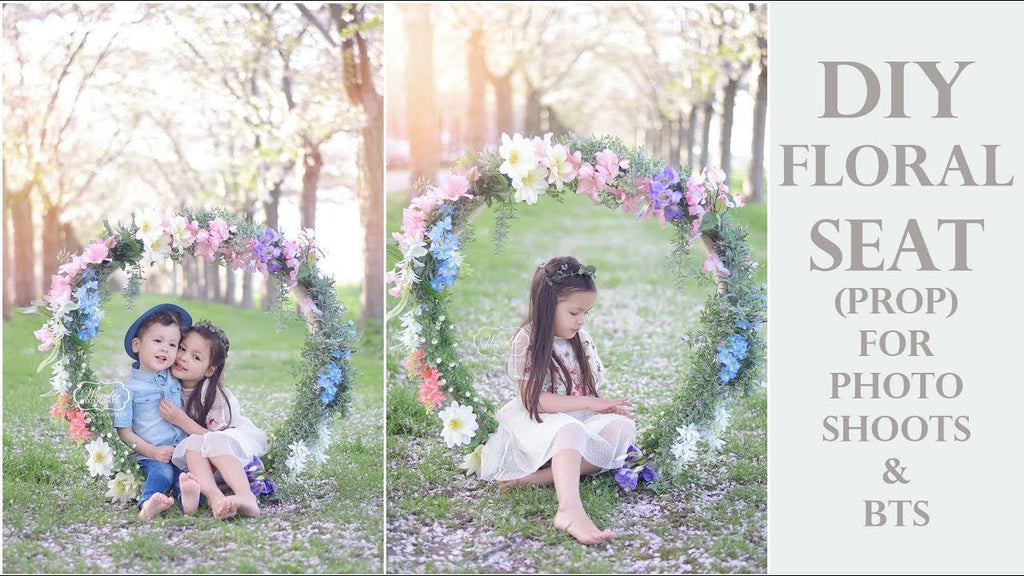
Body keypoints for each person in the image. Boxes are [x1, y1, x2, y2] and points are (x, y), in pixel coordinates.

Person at [479, 256, 637, 545]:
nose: (581, 321)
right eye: (575, 312)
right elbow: (533, 401)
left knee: (621, 431)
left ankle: (538, 478)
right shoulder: (527, 340)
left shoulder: (581, 338)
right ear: (546, 304)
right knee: (570, 430)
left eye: (586, 313)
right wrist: (588, 403)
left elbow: (585, 387)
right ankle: (569, 509)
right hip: (540, 424)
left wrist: (604, 404)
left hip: (576, 418)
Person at [159, 320, 268, 520]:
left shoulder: (213, 396)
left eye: (196, 357)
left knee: (211, 440)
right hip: (201, 467)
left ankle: (246, 496)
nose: (183, 358)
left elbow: (213, 436)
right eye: (182, 348)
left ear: (209, 370)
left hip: (228, 458)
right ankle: (214, 497)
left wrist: (181, 420)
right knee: (193, 442)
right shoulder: (166, 382)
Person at [109, 303, 202, 521]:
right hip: (149, 455)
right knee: (163, 472)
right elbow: (124, 433)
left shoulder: (174, 376)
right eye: (158, 341)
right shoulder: (125, 390)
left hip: (181, 452)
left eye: (173, 344)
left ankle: (188, 500)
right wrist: (151, 451)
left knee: (188, 476)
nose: (165, 349)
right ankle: (148, 503)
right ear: (136, 345)